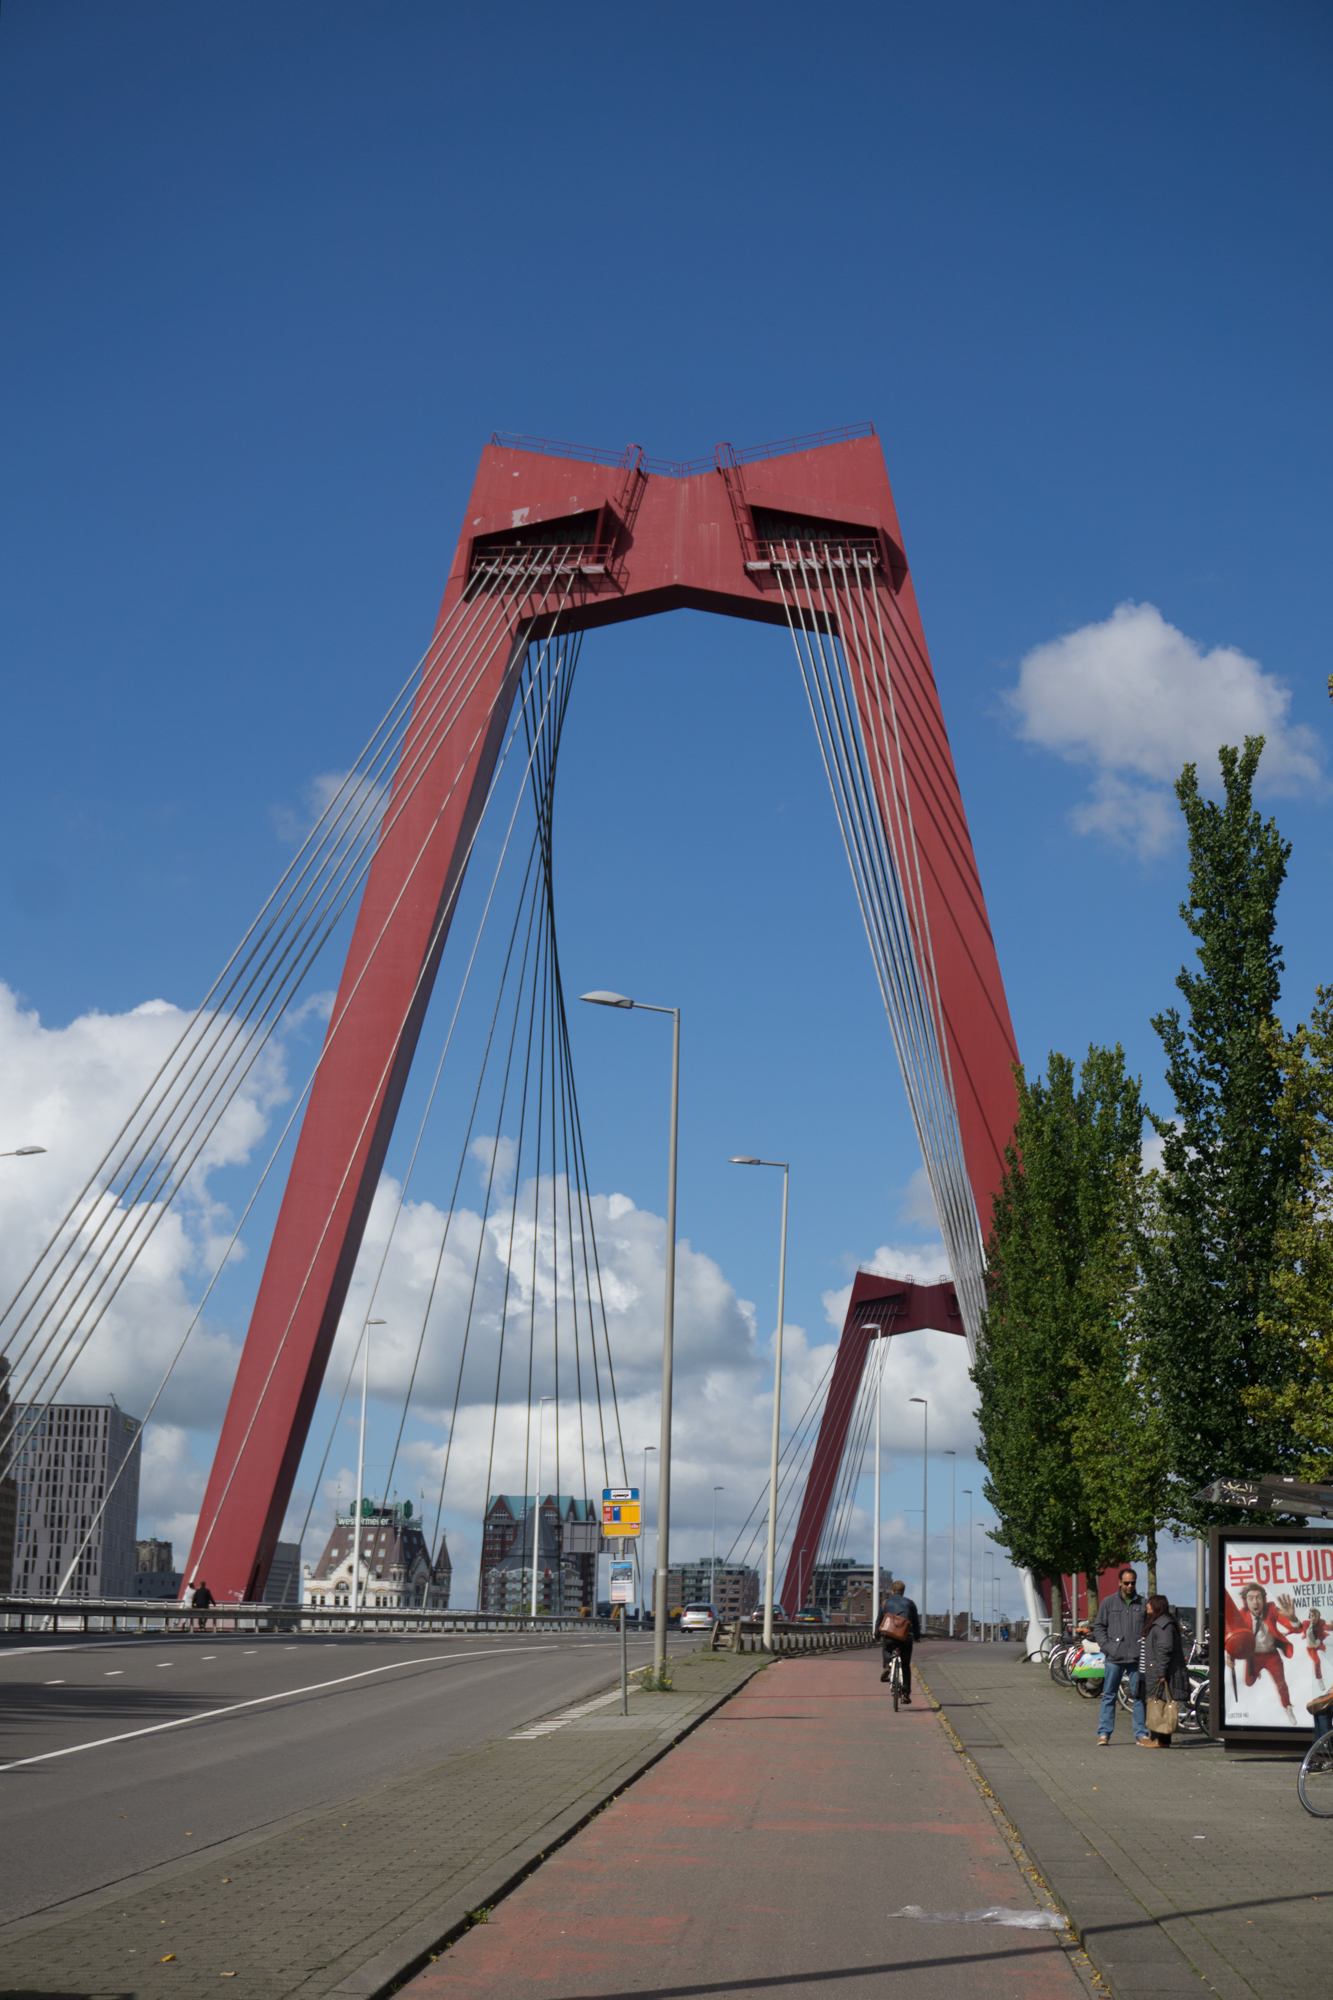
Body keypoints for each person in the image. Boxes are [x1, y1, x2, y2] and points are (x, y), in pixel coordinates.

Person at [1225, 1583, 1300, 1723]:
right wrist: (1230, 1656)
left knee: (1281, 1683)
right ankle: (1257, 1672)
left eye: (1258, 1597)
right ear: (1245, 1602)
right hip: (1253, 1657)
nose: (1255, 1602)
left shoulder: (1271, 1609)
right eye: (1251, 1598)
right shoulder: (1241, 1616)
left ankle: (1288, 1706)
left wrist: (1293, 1618)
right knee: (1248, 1682)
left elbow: (1296, 1628)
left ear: (1264, 1600)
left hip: (1271, 1655)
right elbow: (1232, 1636)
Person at [1092, 1564, 1148, 1747]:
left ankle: (1141, 1734)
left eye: (1133, 1583)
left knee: (1139, 1696)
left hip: (1136, 1658)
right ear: (1119, 1583)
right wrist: (1107, 1647)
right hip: (1114, 1658)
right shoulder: (1108, 1603)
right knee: (1109, 1695)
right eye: (1126, 1583)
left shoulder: (1143, 1603)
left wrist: (1145, 1648)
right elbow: (1099, 1627)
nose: (1130, 1586)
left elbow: (1149, 1628)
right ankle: (1104, 1733)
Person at [1139, 1594, 1192, 1748]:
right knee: (1156, 1703)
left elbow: (1164, 1649)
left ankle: (1161, 1740)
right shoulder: (1158, 1623)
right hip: (1152, 1670)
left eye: (1150, 1604)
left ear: (1157, 1606)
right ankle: (1156, 1738)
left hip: (1158, 1671)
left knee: (1160, 1704)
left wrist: (1161, 1672)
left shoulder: (1163, 1626)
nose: (1147, 1606)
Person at [879, 1578, 921, 1703]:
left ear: (892, 1591)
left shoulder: (885, 1603)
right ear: (903, 1591)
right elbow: (915, 1622)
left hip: (890, 1636)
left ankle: (888, 1665)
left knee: (886, 1648)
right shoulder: (910, 1603)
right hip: (905, 1637)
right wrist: (917, 1636)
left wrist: (876, 1634)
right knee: (905, 1665)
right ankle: (906, 1693)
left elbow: (879, 1620)